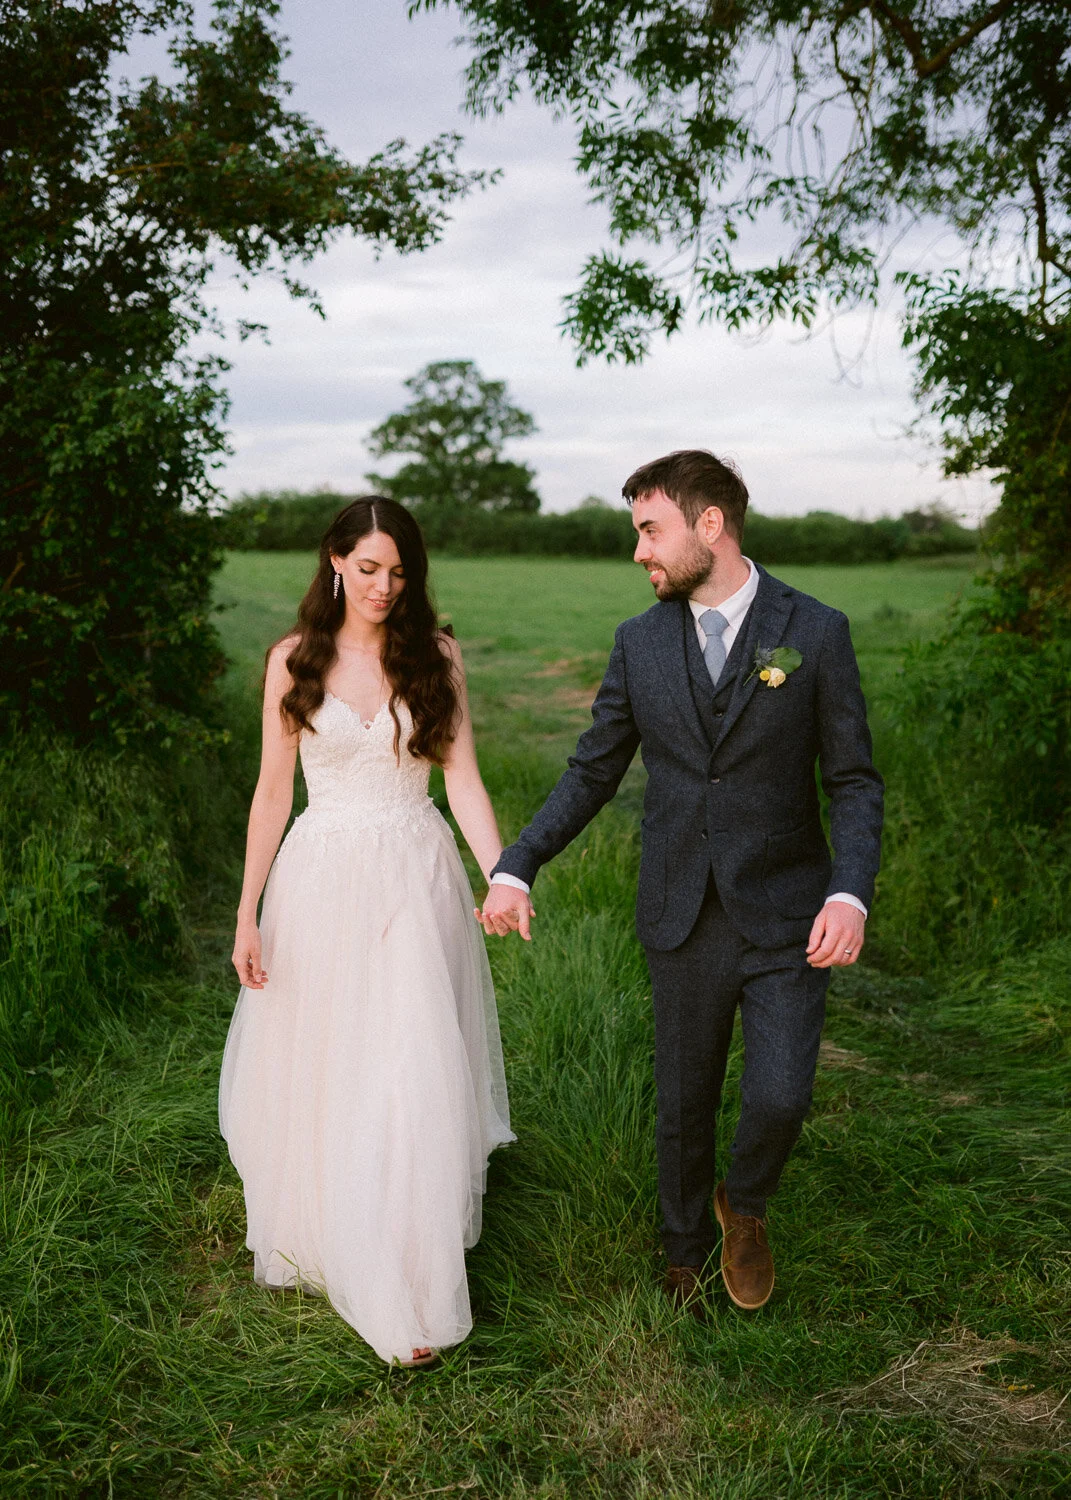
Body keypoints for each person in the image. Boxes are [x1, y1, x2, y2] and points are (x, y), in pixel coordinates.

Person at [477, 450, 883, 1315]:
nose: (638, 553)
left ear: (709, 525)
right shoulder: (638, 644)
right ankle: (683, 1251)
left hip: (787, 909)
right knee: (683, 1096)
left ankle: (746, 1201)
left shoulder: (813, 631)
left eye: (649, 530)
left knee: (780, 1093)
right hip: (680, 907)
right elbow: (592, 773)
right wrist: (517, 863)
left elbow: (851, 779)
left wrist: (848, 891)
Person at [221, 496, 513, 1368]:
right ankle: (329, 1221)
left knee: (409, 1059)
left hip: (415, 875)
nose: (385, 586)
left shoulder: (436, 656)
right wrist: (245, 910)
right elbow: (274, 793)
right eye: (370, 568)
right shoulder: (292, 660)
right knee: (335, 1056)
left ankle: (408, 1274)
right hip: (320, 879)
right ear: (336, 562)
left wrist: (503, 873)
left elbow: (460, 776)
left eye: (400, 571)